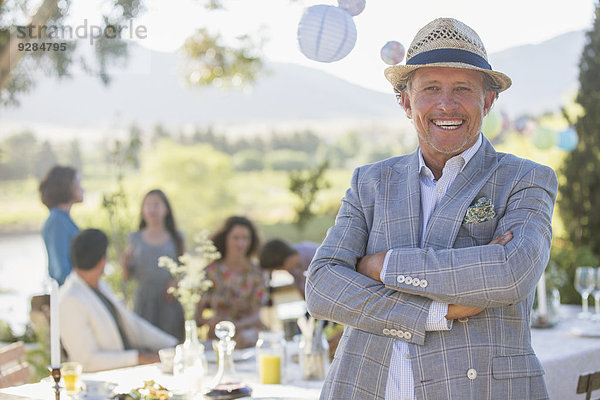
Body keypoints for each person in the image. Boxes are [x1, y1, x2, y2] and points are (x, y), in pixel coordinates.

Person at [305, 18, 557, 399]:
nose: (446, 104)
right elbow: (323, 286)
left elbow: (509, 273)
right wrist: (434, 313)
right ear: (406, 102)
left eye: (462, 89)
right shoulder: (370, 182)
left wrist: (381, 265)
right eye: (431, 89)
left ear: (487, 100)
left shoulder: (526, 178)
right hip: (367, 388)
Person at [60, 228, 178, 372]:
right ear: (103, 261)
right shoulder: (70, 299)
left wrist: (172, 344)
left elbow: (133, 324)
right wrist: (138, 358)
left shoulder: (100, 286)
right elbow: (86, 361)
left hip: (130, 369)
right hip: (104, 383)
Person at [121, 189, 185, 342]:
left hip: (168, 302)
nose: (152, 209)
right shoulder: (134, 238)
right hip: (144, 301)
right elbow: (127, 276)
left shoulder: (176, 238)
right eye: (148, 205)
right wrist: (124, 264)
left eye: (156, 205)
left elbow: (184, 268)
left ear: (166, 209)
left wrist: (176, 283)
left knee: (171, 343)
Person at [196, 216, 268, 348]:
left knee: (245, 338)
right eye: (236, 238)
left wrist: (235, 326)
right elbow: (197, 314)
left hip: (248, 332)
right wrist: (211, 322)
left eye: (246, 238)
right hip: (219, 333)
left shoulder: (257, 273)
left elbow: (257, 315)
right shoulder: (211, 272)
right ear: (225, 239)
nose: (241, 243)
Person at [39, 165, 82, 286]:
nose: (82, 188)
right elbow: (60, 270)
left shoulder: (64, 219)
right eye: (78, 183)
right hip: (68, 295)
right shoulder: (57, 221)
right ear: (67, 187)